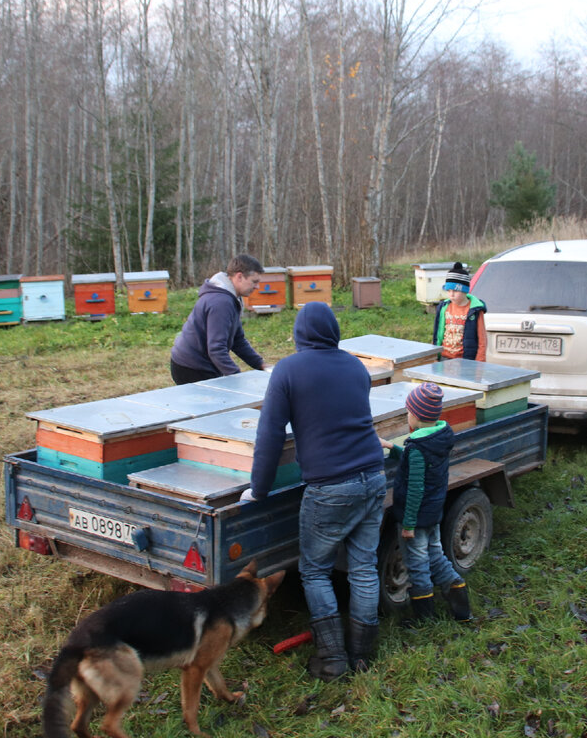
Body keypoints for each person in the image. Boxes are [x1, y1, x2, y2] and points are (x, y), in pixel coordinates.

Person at [243, 302, 387, 680]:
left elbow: (270, 434)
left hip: (331, 486)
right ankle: (362, 653)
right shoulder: (356, 367)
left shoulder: (289, 370)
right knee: (364, 567)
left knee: (314, 571)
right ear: (334, 332)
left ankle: (333, 658)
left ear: (299, 335)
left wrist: (258, 489)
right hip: (373, 475)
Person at [381, 382, 473, 625]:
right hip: (433, 514)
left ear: (415, 416)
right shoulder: (438, 439)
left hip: (416, 518)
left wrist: (408, 524)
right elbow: (419, 465)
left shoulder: (418, 448)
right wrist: (393, 448)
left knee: (417, 565)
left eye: (408, 412)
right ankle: (462, 610)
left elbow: (415, 489)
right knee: (437, 557)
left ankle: (424, 619)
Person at [170, 254, 265, 385]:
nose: (257, 287)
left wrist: (260, 364)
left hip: (201, 363)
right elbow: (216, 348)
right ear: (239, 276)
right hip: (191, 367)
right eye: (254, 282)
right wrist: (236, 378)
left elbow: (238, 340)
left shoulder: (231, 297)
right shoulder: (221, 302)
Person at [432, 262, 487, 361]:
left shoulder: (475, 310)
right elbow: (437, 334)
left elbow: (482, 339)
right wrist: (434, 355)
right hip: (444, 358)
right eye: (448, 291)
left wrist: (480, 363)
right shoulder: (443, 307)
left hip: (465, 361)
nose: (451, 294)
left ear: (465, 291)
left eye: (455, 291)